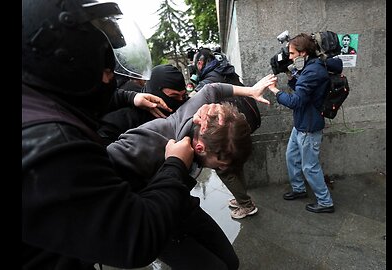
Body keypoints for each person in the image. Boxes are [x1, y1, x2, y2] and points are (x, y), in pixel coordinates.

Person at [22, 1, 197, 269]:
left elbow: (77, 96)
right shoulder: (55, 147)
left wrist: (131, 97)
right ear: (63, 61)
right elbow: (136, 237)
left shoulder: (36, 99)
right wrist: (175, 164)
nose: (109, 79)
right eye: (104, 70)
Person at [107, 75, 276, 269]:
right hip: (154, 220)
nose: (222, 169)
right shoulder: (148, 142)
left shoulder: (199, 116)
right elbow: (104, 170)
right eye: (220, 163)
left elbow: (212, 90)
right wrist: (173, 164)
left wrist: (251, 91)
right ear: (200, 148)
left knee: (231, 261)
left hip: (182, 204)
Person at [267, 33, 341, 213]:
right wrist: (288, 74)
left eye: (292, 54)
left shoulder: (313, 71)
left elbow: (296, 101)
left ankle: (325, 202)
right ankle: (299, 189)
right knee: (291, 157)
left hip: (309, 126)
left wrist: (274, 91)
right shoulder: (310, 66)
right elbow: (302, 89)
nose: (289, 57)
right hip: (300, 124)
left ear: (303, 52)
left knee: (310, 167)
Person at [190, 47, 260, 219]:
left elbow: (192, 102)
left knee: (224, 167)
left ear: (200, 63)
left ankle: (246, 204)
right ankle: (242, 198)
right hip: (241, 122)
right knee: (235, 164)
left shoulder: (210, 80)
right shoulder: (224, 68)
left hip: (228, 129)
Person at [98, 64, 188, 145]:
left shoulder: (185, 110)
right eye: (174, 97)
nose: (180, 101)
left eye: (183, 96)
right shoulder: (127, 118)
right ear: (156, 92)